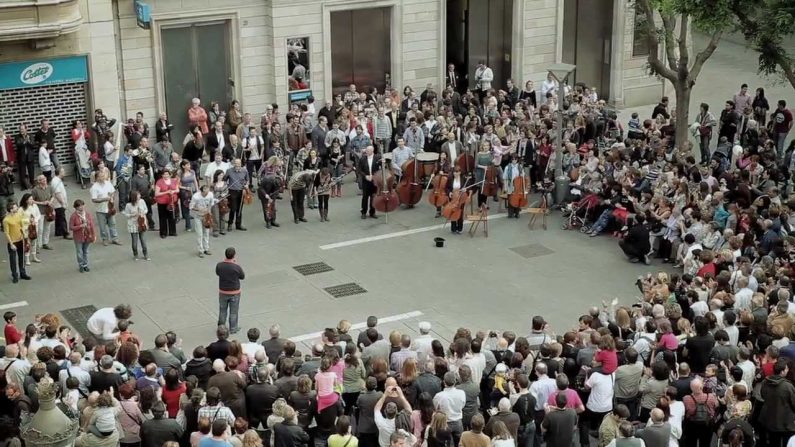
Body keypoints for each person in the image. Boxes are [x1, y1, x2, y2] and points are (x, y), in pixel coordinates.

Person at [216, 247, 245, 334]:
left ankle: (221, 328)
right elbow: (242, 276)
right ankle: (233, 328)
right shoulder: (236, 267)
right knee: (233, 312)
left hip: (223, 291)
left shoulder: (219, 265)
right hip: (234, 292)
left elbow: (217, 273)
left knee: (222, 310)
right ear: (234, 255)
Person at [2, 202, 30, 283]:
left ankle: (23, 273)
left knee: (22, 257)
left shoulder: (18, 215)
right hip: (13, 242)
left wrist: (24, 234)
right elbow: (6, 233)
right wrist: (11, 244)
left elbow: (21, 225)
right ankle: (14, 275)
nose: (17, 208)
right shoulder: (6, 220)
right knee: (13, 260)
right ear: (11, 210)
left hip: (20, 239)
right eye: (15, 207)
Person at [69, 199, 97, 273]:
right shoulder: (73, 216)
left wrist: (94, 235)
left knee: (86, 251)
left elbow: (92, 226)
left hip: (87, 235)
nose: (81, 207)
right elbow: (71, 227)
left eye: (82, 205)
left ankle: (86, 265)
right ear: (76, 207)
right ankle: (81, 265)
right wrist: (80, 226)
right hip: (78, 237)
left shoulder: (87, 214)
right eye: (79, 206)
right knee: (79, 252)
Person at [122, 190, 150, 261]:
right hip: (133, 224)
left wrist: (143, 212)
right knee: (134, 241)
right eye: (138, 195)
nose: (139, 196)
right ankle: (135, 254)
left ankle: (145, 254)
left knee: (143, 240)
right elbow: (126, 214)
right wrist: (133, 215)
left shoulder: (142, 201)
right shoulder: (129, 205)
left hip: (142, 223)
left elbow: (146, 209)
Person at [191, 185, 215, 258]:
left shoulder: (210, 194)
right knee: (199, 234)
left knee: (206, 233)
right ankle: (200, 250)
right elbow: (191, 207)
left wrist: (209, 211)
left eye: (208, 191)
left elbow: (211, 203)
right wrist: (199, 210)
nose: (207, 193)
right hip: (198, 216)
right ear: (202, 191)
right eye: (205, 192)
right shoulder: (195, 197)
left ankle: (206, 249)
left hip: (206, 216)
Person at [225, 158, 249, 231]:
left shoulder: (244, 171)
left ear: (241, 164)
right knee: (233, 208)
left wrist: (247, 185)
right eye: (236, 163)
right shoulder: (229, 171)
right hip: (232, 191)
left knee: (239, 209)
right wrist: (226, 186)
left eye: (238, 163)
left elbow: (247, 180)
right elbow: (224, 180)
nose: (237, 165)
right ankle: (230, 224)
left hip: (241, 191)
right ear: (233, 164)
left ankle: (238, 225)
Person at [154, 169, 179, 238]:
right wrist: (166, 192)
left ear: (169, 174)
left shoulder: (174, 181)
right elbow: (156, 194)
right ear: (162, 175)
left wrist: (173, 191)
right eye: (164, 174)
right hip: (162, 202)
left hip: (171, 201)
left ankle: (172, 231)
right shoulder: (159, 182)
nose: (166, 175)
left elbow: (177, 189)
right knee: (163, 217)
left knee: (172, 216)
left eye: (167, 174)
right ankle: (163, 233)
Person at [358, 145, 380, 219]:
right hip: (366, 180)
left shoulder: (377, 158)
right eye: (366, 150)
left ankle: (372, 212)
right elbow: (360, 170)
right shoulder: (362, 159)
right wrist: (365, 176)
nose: (366, 152)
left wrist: (374, 176)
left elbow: (381, 168)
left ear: (372, 151)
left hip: (374, 180)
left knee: (373, 197)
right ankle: (363, 212)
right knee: (365, 197)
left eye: (368, 151)